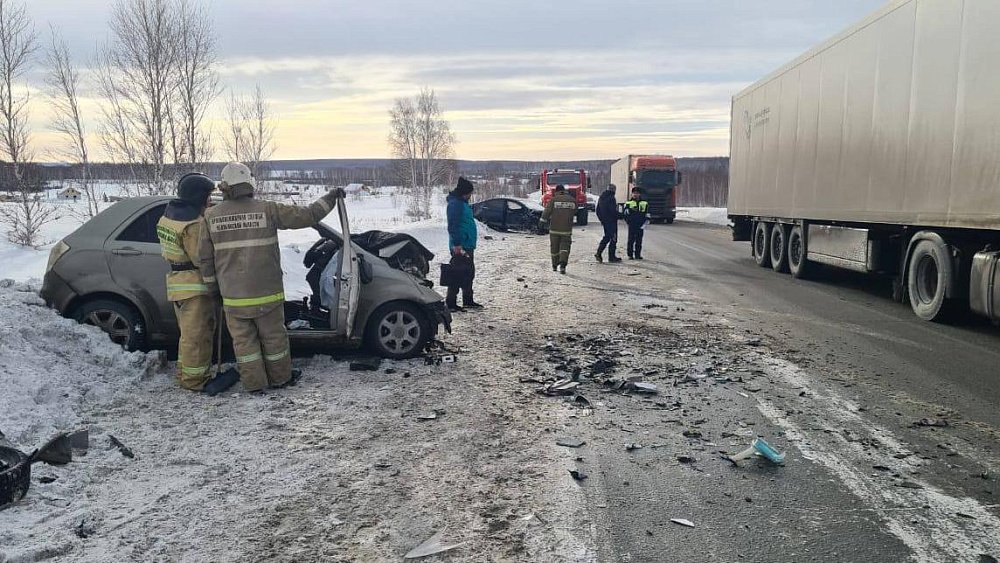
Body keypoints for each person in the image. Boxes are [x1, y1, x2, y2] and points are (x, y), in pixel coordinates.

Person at [198, 162, 345, 392]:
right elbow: (307, 215)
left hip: (234, 298)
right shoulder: (267, 209)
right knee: (274, 340)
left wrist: (213, 290)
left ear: (225, 188)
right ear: (249, 184)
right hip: (267, 294)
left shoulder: (211, 217)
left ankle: (254, 384)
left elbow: (205, 259)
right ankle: (280, 378)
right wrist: (330, 197)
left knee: (244, 344)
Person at [156, 172, 217, 391]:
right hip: (194, 287)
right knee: (198, 337)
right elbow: (201, 259)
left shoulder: (169, 216)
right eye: (208, 197)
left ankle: (185, 374)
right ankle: (195, 381)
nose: (209, 201)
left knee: (187, 336)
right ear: (198, 197)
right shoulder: (193, 225)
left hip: (177, 284)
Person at [445, 177, 481, 312]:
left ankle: (468, 300)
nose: (471, 195)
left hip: (467, 244)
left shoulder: (462, 203)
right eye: (470, 193)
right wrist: (457, 244)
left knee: (468, 273)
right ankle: (451, 303)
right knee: (456, 274)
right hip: (460, 246)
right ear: (464, 192)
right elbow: (453, 225)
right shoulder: (455, 204)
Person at [541, 184, 577, 274]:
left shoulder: (553, 200)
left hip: (554, 229)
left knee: (554, 248)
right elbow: (575, 211)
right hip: (567, 229)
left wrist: (542, 221)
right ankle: (563, 265)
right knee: (565, 247)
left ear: (556, 191)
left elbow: (547, 211)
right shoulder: (572, 200)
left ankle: (554, 265)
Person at [595, 184, 622, 263]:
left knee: (607, 236)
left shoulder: (602, 197)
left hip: (605, 222)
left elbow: (597, 210)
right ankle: (610, 256)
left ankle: (600, 253)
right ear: (614, 190)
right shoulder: (611, 198)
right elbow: (612, 211)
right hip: (611, 221)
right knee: (613, 238)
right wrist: (621, 216)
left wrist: (602, 220)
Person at [624, 188, 649, 259]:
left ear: (640, 194)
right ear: (632, 194)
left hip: (640, 225)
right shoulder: (628, 203)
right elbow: (625, 214)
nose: (635, 194)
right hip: (632, 224)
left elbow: (647, 214)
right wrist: (628, 222)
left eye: (637, 193)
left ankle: (638, 255)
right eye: (634, 193)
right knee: (631, 240)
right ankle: (630, 255)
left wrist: (645, 224)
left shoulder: (644, 203)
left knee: (639, 240)